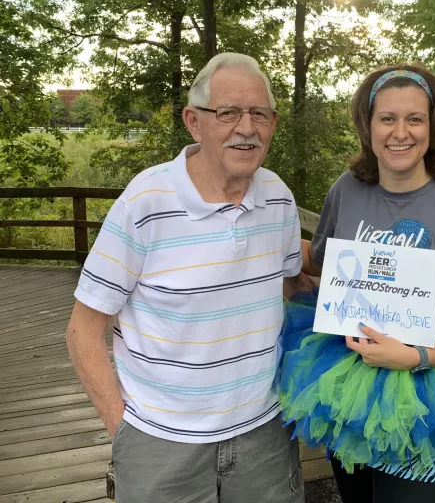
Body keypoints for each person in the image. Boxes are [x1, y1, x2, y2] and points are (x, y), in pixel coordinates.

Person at [66, 53, 307, 503]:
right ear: (194, 122)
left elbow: (291, 280)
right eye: (229, 112)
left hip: (264, 435)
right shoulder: (145, 203)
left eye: (260, 113)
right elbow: (83, 328)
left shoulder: (278, 197)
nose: (247, 127)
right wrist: (124, 430)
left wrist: (370, 279)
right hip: (160, 443)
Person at [281, 64, 435, 503]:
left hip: (429, 389)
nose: (400, 132)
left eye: (415, 119)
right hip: (347, 382)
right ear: (367, 126)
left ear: (434, 125)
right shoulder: (346, 190)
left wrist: (416, 357)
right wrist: (263, 231)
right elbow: (321, 260)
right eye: (387, 118)